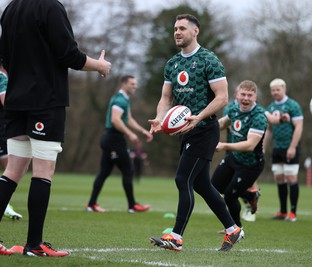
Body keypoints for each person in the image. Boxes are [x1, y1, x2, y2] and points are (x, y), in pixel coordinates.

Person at [0, 0, 111, 257]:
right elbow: (69, 54)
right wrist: (100, 66)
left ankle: (33, 244)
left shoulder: (11, 8)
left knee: (13, 170)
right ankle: (34, 245)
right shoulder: (50, 6)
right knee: (43, 170)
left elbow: (3, 56)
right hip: (45, 102)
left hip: (16, 102)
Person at [148, 14, 244, 252]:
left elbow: (223, 97)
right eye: (175, 29)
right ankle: (233, 229)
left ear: (195, 31)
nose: (177, 32)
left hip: (205, 129)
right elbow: (166, 98)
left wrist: (199, 117)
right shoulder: (172, 64)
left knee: (183, 179)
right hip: (186, 133)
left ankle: (176, 237)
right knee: (201, 185)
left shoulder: (208, 60)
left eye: (182, 28)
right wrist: (160, 118)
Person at [86, 75, 153, 213]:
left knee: (104, 172)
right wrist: (130, 134)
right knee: (128, 170)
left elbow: (128, 119)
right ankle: (132, 205)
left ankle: (91, 204)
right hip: (113, 140)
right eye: (132, 84)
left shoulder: (124, 99)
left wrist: (142, 131)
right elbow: (116, 120)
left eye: (135, 84)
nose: (135, 86)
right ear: (123, 84)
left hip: (110, 139)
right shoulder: (119, 100)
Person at [211, 80, 268, 229]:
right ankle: (250, 196)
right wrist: (202, 126)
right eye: (243, 94)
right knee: (214, 187)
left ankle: (236, 229)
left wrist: (224, 145)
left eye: (250, 95)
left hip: (251, 165)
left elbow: (250, 145)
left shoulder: (259, 117)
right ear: (237, 95)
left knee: (230, 196)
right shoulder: (235, 109)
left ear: (255, 97)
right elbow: (223, 123)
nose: (246, 98)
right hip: (234, 158)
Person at [264, 78, 303, 222]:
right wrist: (263, 148)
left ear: (284, 89)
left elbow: (299, 126)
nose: (275, 92)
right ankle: (282, 211)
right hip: (277, 148)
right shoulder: (270, 108)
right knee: (279, 178)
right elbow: (268, 130)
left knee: (291, 177)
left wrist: (293, 146)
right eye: (273, 90)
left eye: (277, 89)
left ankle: (293, 213)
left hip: (290, 147)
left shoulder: (293, 106)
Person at [0, 62, 22, 221]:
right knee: (11, 171)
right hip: (2, 130)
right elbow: (6, 102)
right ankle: (5, 204)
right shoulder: (2, 77)